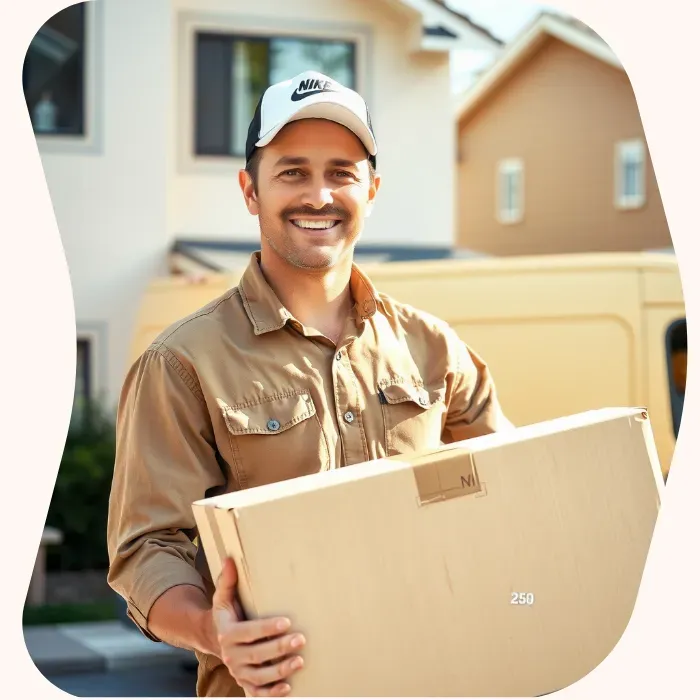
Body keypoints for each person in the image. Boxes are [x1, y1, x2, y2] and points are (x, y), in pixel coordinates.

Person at [107, 70, 513, 698]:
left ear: (371, 189)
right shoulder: (182, 362)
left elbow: (510, 491)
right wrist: (215, 633)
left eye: (341, 172)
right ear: (250, 190)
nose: (319, 195)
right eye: (292, 171)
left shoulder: (434, 348)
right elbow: (145, 549)